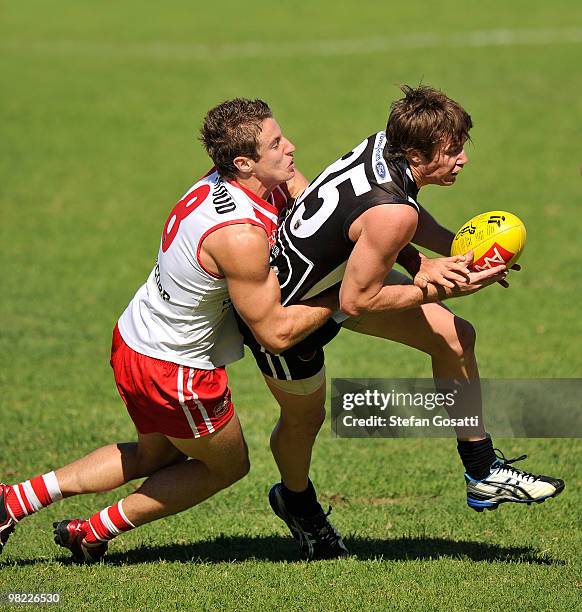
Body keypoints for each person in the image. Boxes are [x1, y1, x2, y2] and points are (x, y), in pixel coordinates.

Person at [0, 98, 346, 563]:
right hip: (176, 371)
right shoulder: (241, 235)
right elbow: (275, 334)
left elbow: (310, 202)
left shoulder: (224, 185)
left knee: (152, 457)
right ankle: (94, 531)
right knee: (226, 466)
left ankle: (14, 500)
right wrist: (348, 296)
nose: (291, 147)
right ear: (244, 162)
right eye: (276, 144)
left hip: (133, 340)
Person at [238, 85, 565, 557]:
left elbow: (391, 217)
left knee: (456, 338)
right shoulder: (393, 213)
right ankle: (297, 501)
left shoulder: (382, 147)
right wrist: (446, 284)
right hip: (289, 316)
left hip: (341, 276)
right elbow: (360, 297)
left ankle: (482, 470)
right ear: (415, 151)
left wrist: (455, 252)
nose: (462, 160)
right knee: (303, 420)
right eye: (452, 151)